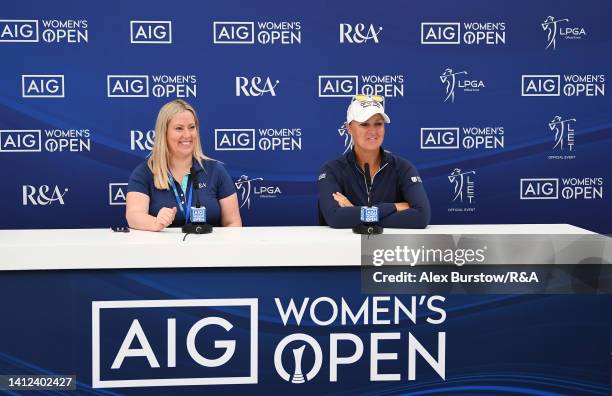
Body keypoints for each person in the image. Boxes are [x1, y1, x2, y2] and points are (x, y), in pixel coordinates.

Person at [126, 99, 242, 231]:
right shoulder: (145, 172)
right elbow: (133, 216)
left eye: (192, 127)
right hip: (162, 250)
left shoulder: (215, 171)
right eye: (179, 128)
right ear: (164, 133)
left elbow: (233, 223)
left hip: (210, 250)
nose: (187, 135)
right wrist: (155, 222)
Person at [318, 95, 430, 228]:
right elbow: (335, 218)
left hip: (390, 249)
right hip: (342, 248)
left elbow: (421, 217)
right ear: (349, 128)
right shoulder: (332, 170)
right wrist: (393, 207)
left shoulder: (403, 168)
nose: (372, 131)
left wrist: (356, 213)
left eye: (378, 124)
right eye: (364, 124)